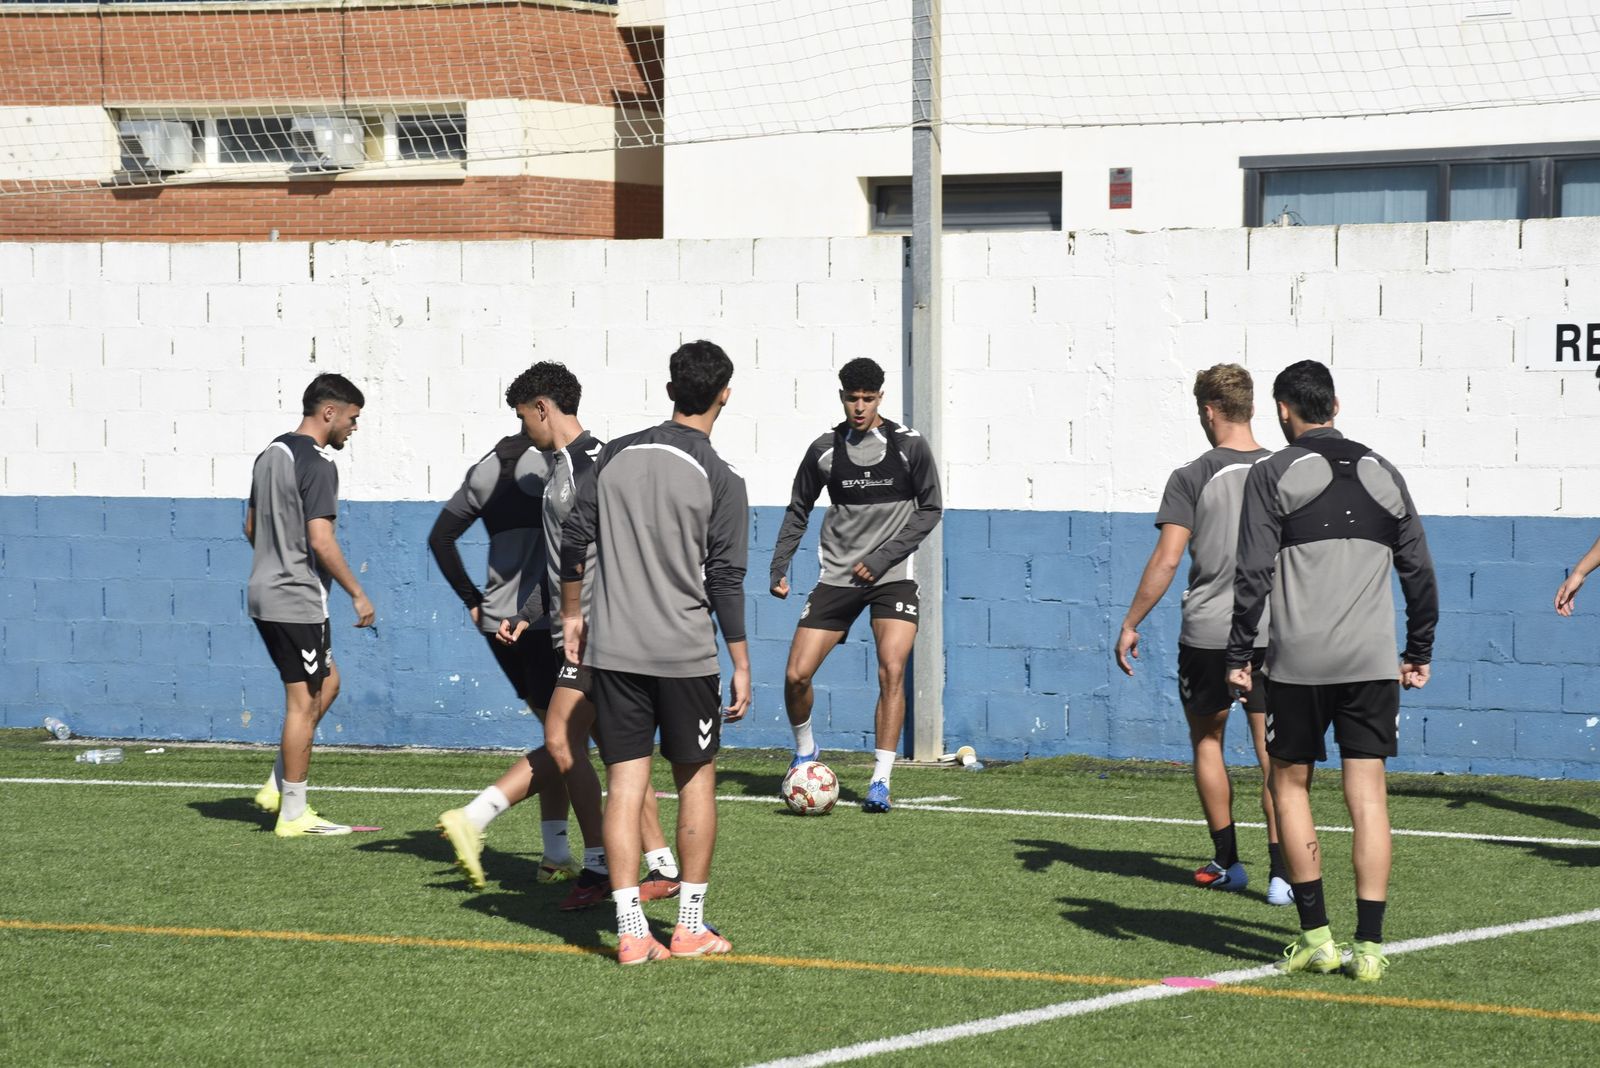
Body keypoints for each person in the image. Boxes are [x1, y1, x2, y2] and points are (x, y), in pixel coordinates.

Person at [436, 362, 680, 906]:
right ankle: (654, 865)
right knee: (612, 752)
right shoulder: (569, 467)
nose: (523, 429)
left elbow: (609, 552)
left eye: (524, 416)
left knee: (568, 741)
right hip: (580, 630)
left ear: (543, 407)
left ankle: (600, 867)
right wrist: (528, 610)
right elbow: (563, 560)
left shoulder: (590, 467)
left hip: (598, 633)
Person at [1226, 359, 1437, 983]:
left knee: (1289, 788)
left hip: (1297, 663)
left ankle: (1317, 938)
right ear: (1336, 405)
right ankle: (1368, 948)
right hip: (1371, 662)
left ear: (1283, 411)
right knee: (1368, 798)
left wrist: (1238, 654)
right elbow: (1420, 572)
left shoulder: (1271, 472)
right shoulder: (1385, 470)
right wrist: (1419, 649)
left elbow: (1252, 571)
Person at [560, 339, 750, 964]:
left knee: (625, 785)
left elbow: (573, 536)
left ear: (671, 390)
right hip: (685, 656)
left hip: (614, 652)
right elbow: (725, 579)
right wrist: (741, 661)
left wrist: (571, 614)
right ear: (725, 395)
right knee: (696, 781)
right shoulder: (723, 477)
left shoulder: (614, 454)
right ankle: (689, 927)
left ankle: (631, 933)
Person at [1116, 364, 1289, 903]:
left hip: (1210, 633)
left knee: (1208, 741)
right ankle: (1282, 874)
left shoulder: (1191, 475)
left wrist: (1131, 622)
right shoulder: (1289, 470)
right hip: (1274, 632)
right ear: (1252, 408)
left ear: (1208, 412)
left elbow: (1167, 560)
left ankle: (1228, 862)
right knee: (1274, 754)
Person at [768, 357, 943, 813]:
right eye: (852, 399)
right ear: (842, 397)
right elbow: (798, 508)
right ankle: (806, 750)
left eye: (867, 398)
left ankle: (880, 781)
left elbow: (930, 509)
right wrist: (779, 564)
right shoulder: (824, 450)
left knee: (891, 669)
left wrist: (883, 557)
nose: (859, 407)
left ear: (880, 397)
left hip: (892, 578)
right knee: (796, 675)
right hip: (839, 577)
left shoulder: (909, 446)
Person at [426, 362, 575, 884]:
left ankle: (555, 854)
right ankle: (475, 816)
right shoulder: (560, 462)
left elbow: (440, 537)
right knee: (568, 739)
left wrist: (475, 601)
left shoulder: (490, 465)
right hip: (541, 622)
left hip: (504, 623)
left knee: (560, 738)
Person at [246, 373, 375, 837]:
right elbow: (321, 540)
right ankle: (294, 813)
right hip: (297, 599)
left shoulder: (270, 453)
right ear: (329, 412)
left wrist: (276, 559)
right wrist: (357, 592)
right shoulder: (319, 464)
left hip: (263, 592)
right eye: (352, 419)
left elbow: (250, 527)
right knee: (303, 702)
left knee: (328, 682)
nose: (354, 428)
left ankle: (277, 783)